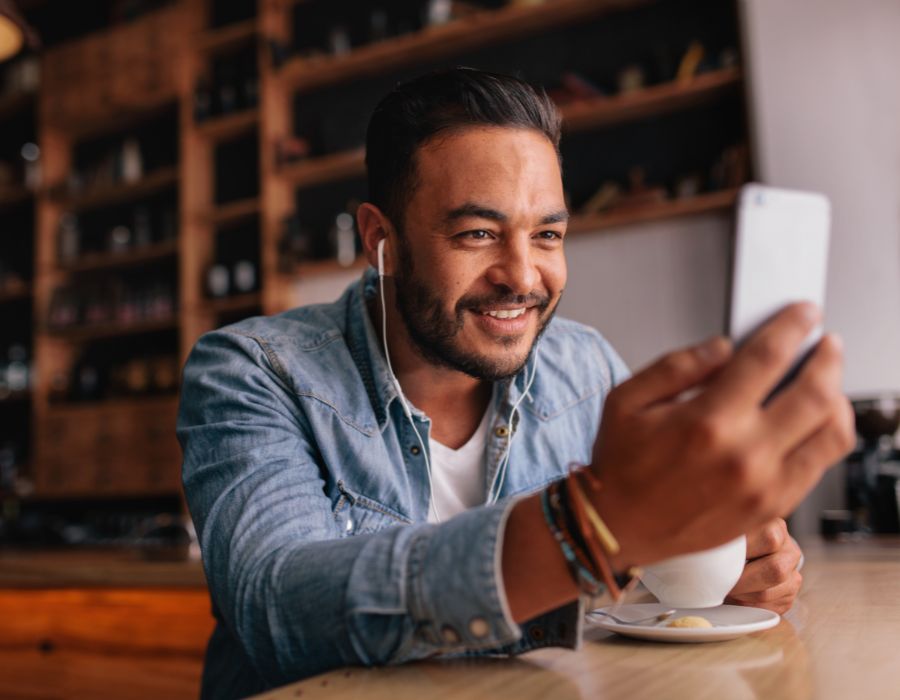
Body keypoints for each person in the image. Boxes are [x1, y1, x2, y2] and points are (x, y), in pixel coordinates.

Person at [178, 67, 854, 699]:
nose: (524, 276)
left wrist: (729, 569)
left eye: (548, 234)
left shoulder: (584, 368)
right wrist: (586, 528)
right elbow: (276, 611)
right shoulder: (253, 371)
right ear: (380, 239)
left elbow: (650, 586)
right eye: (478, 233)